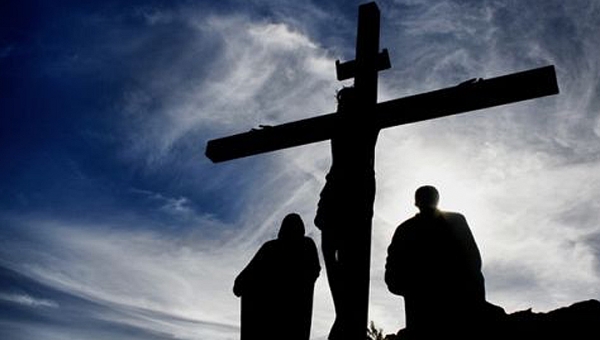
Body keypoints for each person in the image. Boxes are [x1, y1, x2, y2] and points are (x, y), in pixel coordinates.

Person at [315, 87, 379, 340]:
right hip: (336, 194)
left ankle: (347, 318)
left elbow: (419, 106)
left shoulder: (369, 118)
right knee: (332, 258)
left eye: (345, 103)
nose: (340, 107)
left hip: (355, 194)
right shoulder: (335, 123)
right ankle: (344, 316)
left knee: (351, 260)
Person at [385, 186, 487, 338]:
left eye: (429, 196)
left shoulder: (455, 221)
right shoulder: (405, 230)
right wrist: (414, 287)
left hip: (457, 301)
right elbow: (392, 272)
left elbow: (473, 260)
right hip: (423, 308)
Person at [233, 213, 321, 340]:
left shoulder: (303, 245)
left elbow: (240, 283)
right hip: (273, 317)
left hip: (290, 315)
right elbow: (241, 282)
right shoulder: (271, 248)